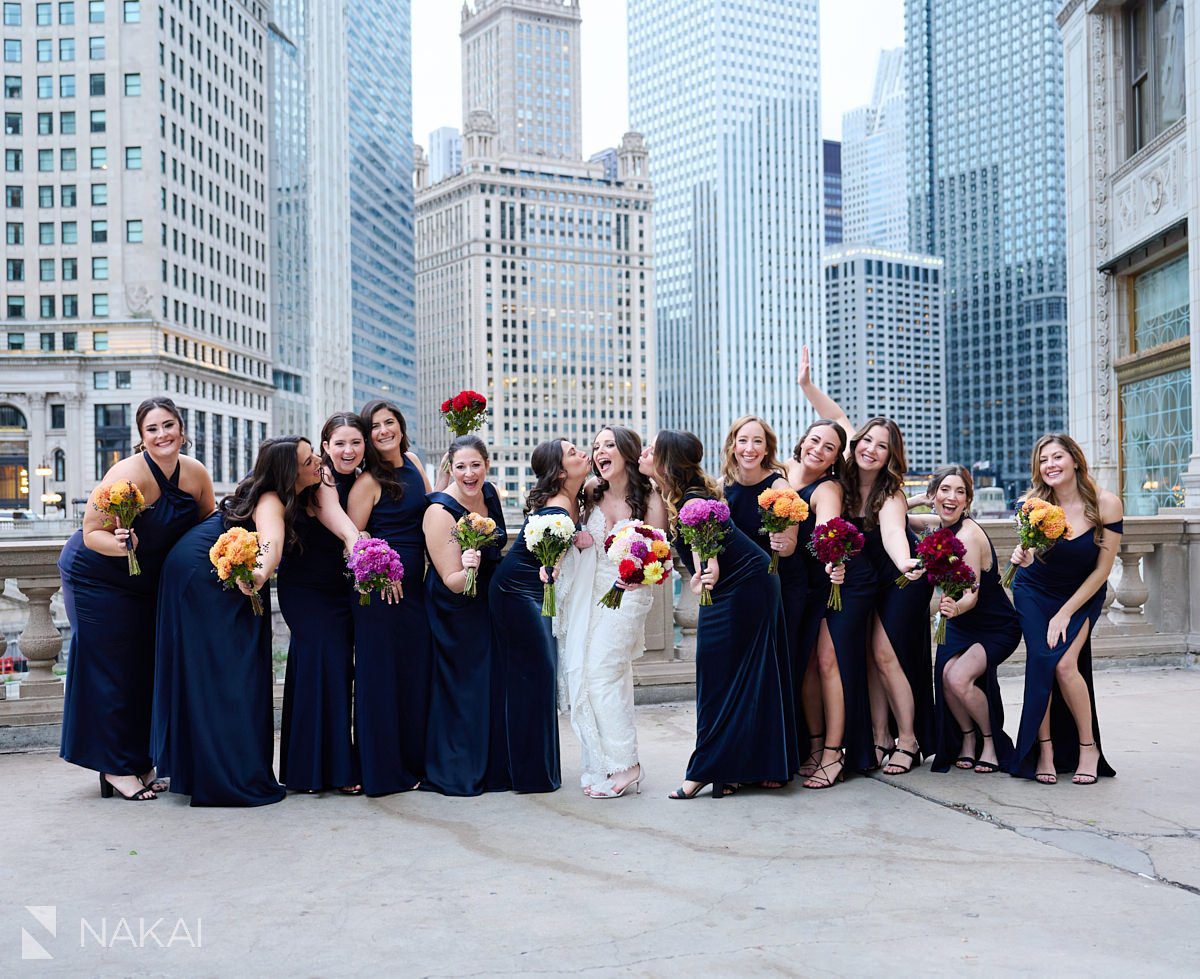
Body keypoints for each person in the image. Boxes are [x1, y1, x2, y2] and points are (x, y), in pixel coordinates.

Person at [152, 436, 324, 807]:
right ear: (289, 472)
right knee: (227, 674)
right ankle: (226, 778)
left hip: (216, 574)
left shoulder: (285, 491)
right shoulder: (272, 498)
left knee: (229, 672)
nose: (318, 462)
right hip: (203, 578)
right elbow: (271, 544)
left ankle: (217, 771)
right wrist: (259, 576)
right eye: (310, 459)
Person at [59, 397, 213, 801]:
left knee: (145, 668)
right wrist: (123, 544)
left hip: (146, 583)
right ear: (141, 438)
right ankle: (114, 768)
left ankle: (142, 761)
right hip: (98, 577)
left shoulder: (196, 474)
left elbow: (206, 528)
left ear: (182, 429)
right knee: (111, 668)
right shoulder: (126, 474)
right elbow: (92, 532)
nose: (162, 435)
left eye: (168, 426)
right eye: (152, 429)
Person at [800, 346, 929, 784]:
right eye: (867, 441)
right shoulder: (840, 482)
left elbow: (893, 533)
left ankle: (908, 740)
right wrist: (806, 386)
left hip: (894, 577)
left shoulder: (890, 493)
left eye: (883, 446)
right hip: (854, 577)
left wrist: (908, 561)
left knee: (884, 655)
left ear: (892, 456)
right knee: (867, 658)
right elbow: (834, 415)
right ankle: (877, 737)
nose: (872, 449)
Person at [649, 430, 791, 799]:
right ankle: (729, 772)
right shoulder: (683, 494)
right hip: (740, 584)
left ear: (666, 462)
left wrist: (704, 573)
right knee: (728, 680)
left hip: (744, 587)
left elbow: (705, 553)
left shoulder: (693, 499)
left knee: (718, 681)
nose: (645, 452)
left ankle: (703, 771)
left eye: (653, 449)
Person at [555, 426, 667, 798]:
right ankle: (602, 762)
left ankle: (628, 764)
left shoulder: (649, 497)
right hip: (590, 593)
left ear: (627, 452)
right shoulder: (590, 491)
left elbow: (661, 553)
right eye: (596, 445)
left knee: (603, 672)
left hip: (630, 595)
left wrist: (640, 573)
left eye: (609, 445)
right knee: (591, 674)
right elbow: (567, 528)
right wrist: (575, 537)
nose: (600, 451)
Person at [1008, 434, 1122, 785]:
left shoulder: (1106, 504)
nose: (1051, 465)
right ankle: (1045, 750)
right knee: (1042, 661)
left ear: (1074, 460)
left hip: (1081, 594)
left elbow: (1103, 571)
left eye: (1057, 457)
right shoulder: (1031, 503)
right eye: (1044, 460)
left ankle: (1089, 748)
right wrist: (1021, 556)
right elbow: (1026, 555)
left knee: (1065, 665)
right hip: (1034, 590)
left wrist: (1066, 613)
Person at [490, 439, 591, 793]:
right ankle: (529, 773)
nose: (583, 453)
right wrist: (562, 557)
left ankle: (537, 769)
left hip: (532, 593)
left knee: (541, 676)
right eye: (574, 452)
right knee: (536, 675)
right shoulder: (558, 507)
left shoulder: (577, 495)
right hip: (515, 594)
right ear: (561, 471)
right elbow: (552, 559)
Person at [276, 412, 368, 796]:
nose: (348, 450)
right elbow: (341, 524)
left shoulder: (367, 477)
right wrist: (361, 546)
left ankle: (306, 769)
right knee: (325, 665)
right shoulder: (321, 475)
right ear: (325, 446)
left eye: (355, 442)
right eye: (339, 443)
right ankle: (333, 769)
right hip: (306, 588)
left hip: (340, 588)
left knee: (325, 669)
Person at [908, 466, 1020, 774]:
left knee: (957, 678)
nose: (951, 497)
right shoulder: (937, 524)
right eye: (945, 489)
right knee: (944, 679)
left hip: (993, 626)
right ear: (935, 495)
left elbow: (971, 595)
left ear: (968, 501)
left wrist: (954, 610)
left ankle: (991, 741)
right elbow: (897, 518)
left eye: (960, 492)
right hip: (960, 623)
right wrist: (918, 499)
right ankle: (967, 740)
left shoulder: (969, 535)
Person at [347, 400, 433, 796]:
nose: (383, 430)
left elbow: (434, 511)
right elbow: (352, 543)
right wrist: (381, 573)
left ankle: (415, 763)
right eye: (375, 426)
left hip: (416, 594)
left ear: (400, 425)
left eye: (389, 422)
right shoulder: (368, 481)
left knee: (413, 678)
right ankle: (383, 771)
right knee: (381, 681)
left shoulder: (414, 462)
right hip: (381, 596)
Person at [422, 435, 510, 796]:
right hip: (455, 608)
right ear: (450, 469)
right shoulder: (439, 512)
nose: (469, 473)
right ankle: (459, 768)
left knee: (489, 683)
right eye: (460, 466)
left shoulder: (490, 495)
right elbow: (452, 580)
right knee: (464, 686)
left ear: (486, 465)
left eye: (475, 465)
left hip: (487, 603)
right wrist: (468, 565)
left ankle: (494, 766)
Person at [717, 415, 800, 785]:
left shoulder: (780, 486)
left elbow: (792, 542)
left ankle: (771, 765)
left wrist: (784, 542)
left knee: (767, 674)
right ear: (733, 444)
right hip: (731, 592)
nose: (749, 448)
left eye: (757, 442)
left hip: (769, 587)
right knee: (734, 678)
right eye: (742, 440)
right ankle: (734, 764)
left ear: (768, 448)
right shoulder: (721, 487)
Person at [784, 419, 847, 778]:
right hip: (785, 588)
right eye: (815, 440)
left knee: (825, 665)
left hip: (818, 586)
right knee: (804, 668)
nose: (818, 450)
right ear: (802, 440)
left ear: (835, 458)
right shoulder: (783, 471)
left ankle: (833, 753)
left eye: (829, 448)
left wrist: (833, 554)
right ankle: (811, 745)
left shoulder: (828, 489)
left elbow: (826, 527)